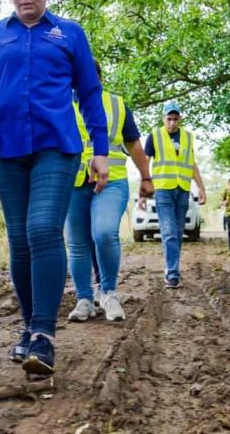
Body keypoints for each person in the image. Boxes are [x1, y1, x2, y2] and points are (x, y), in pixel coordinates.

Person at [0, 0, 109, 376]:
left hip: (57, 148)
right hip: (5, 148)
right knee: (19, 240)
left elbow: (90, 93)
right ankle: (28, 328)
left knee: (42, 229)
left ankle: (44, 333)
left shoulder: (69, 34)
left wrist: (101, 151)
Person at [66, 61, 154, 323]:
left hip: (111, 181)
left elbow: (134, 144)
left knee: (104, 232)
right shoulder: (61, 103)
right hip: (73, 181)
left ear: (99, 78)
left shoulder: (116, 104)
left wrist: (146, 176)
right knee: (77, 242)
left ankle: (108, 293)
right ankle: (84, 299)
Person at [142, 101, 206, 289]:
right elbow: (145, 165)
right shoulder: (154, 136)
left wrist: (201, 187)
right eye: (169, 119)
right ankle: (173, 274)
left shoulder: (188, 137)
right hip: (163, 190)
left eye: (175, 119)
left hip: (183, 190)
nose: (172, 123)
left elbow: (192, 164)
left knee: (177, 233)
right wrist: (143, 193)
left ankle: (171, 267)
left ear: (180, 119)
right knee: (169, 232)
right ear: (163, 118)